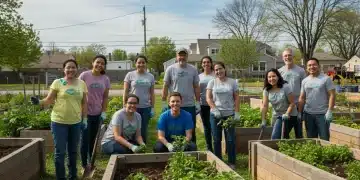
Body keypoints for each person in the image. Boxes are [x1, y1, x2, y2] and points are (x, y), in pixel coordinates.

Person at [30, 59, 88, 180]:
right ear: (63, 69)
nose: (71, 69)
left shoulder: (81, 83)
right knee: (60, 151)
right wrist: (39, 102)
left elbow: (84, 103)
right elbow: (49, 99)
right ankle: (61, 177)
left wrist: (85, 119)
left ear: (77, 69)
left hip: (75, 123)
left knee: (73, 151)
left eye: (73, 67)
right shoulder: (58, 82)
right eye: (68, 67)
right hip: (59, 122)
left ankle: (73, 175)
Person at [78, 54, 110, 173]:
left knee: (93, 139)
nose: (99, 65)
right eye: (98, 62)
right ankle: (83, 164)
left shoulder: (105, 79)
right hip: (84, 113)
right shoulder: (84, 75)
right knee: (84, 139)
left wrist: (104, 111)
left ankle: (91, 163)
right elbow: (78, 94)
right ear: (93, 63)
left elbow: (105, 97)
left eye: (102, 63)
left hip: (97, 114)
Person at [162, 48, 200, 143]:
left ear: (187, 57)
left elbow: (196, 87)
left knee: (190, 129)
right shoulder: (170, 69)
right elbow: (165, 86)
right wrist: (163, 102)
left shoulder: (193, 69)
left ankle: (191, 150)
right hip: (174, 105)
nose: (182, 57)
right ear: (176, 56)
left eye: (184, 55)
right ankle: (170, 148)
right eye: (180, 55)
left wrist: (198, 102)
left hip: (189, 105)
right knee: (172, 129)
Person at [206, 62, 240, 169]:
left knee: (230, 139)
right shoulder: (212, 82)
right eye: (216, 70)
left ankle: (231, 162)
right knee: (216, 139)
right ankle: (218, 161)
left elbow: (237, 98)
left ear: (225, 69)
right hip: (215, 115)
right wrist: (214, 109)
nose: (218, 71)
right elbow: (208, 98)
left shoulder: (232, 82)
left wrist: (237, 112)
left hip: (229, 114)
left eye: (220, 69)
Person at [298, 58, 336, 141]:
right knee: (311, 139)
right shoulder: (305, 81)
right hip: (308, 114)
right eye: (309, 65)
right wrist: (299, 112)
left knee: (324, 138)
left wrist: (329, 111)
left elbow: (332, 95)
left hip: (322, 115)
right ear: (306, 67)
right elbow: (302, 97)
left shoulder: (326, 79)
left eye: (314, 65)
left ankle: (325, 154)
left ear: (319, 66)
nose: (312, 67)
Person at [123, 55, 155, 143]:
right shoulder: (130, 75)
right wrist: (124, 104)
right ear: (135, 64)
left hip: (146, 107)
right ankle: (130, 145)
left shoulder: (150, 76)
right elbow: (125, 91)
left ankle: (142, 145)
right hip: (132, 106)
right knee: (131, 127)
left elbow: (152, 93)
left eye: (143, 62)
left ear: (146, 64)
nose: (141, 64)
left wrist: (152, 107)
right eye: (139, 62)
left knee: (143, 128)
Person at [261, 68, 297, 139]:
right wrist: (263, 120)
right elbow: (265, 106)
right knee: (283, 136)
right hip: (276, 115)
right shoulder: (266, 90)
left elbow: (292, 103)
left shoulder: (285, 87)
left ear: (278, 77)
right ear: (267, 79)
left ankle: (274, 148)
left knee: (275, 136)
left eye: (274, 76)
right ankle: (285, 148)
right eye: (269, 77)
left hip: (290, 115)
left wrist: (287, 114)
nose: (272, 78)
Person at [278, 48, 306, 138]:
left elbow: (304, 88)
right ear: (283, 58)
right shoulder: (279, 71)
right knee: (284, 131)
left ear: (293, 57)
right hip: (285, 105)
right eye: (285, 56)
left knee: (298, 131)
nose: (287, 57)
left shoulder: (301, 71)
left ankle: (300, 148)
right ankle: (285, 148)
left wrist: (300, 109)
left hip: (297, 105)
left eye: (289, 55)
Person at [198, 56, 215, 152]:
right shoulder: (199, 76)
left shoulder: (215, 75)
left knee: (215, 126)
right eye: (204, 62)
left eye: (208, 62)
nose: (206, 64)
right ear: (202, 64)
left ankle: (217, 145)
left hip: (214, 104)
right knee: (207, 126)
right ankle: (209, 147)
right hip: (203, 104)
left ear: (211, 63)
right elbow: (196, 90)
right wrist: (197, 102)